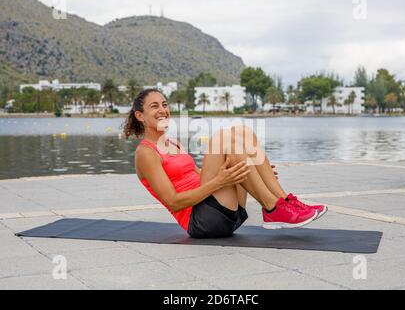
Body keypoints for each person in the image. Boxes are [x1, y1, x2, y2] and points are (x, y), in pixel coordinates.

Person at [123, 89, 327, 238]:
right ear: (140, 115)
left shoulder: (172, 143)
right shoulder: (146, 153)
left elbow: (199, 174)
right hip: (201, 222)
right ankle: (272, 208)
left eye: (165, 104)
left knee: (242, 131)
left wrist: (256, 168)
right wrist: (219, 182)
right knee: (222, 138)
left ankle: (283, 202)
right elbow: (174, 201)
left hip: (222, 210)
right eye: (154, 106)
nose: (163, 110)